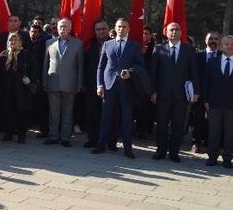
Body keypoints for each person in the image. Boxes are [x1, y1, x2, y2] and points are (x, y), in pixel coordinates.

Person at [95, 18, 145, 159]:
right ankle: (101, 145)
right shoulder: (107, 44)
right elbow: (101, 66)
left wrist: (131, 72)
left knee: (126, 118)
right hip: (109, 85)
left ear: (128, 29)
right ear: (115, 28)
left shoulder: (134, 46)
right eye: (119, 26)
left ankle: (128, 149)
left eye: (124, 26)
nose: (121, 29)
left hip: (126, 87)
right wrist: (99, 85)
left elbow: (140, 65)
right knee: (106, 117)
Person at [150, 22, 200, 162]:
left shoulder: (189, 49)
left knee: (178, 125)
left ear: (181, 32)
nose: (174, 32)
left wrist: (196, 91)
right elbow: (153, 73)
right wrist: (152, 91)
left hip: (181, 95)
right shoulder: (159, 49)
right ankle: (160, 151)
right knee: (161, 123)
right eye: (171, 30)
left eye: (177, 29)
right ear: (166, 32)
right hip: (162, 94)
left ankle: (174, 152)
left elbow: (194, 72)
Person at [42, 18, 83, 147]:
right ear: (57, 28)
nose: (62, 29)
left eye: (65, 26)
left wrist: (79, 84)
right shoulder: (49, 43)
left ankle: (65, 137)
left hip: (70, 84)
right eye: (60, 26)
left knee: (68, 112)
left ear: (70, 28)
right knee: (53, 112)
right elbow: (45, 63)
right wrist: (44, 81)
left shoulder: (78, 44)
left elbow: (80, 66)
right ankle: (53, 136)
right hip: (52, 82)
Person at [0, 32, 37, 143]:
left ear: (20, 42)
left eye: (15, 40)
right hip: (7, 88)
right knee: (8, 111)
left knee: (22, 112)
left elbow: (34, 69)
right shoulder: (4, 54)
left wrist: (29, 79)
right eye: (11, 40)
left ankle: (21, 135)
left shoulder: (26, 54)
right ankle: (8, 133)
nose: (13, 42)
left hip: (22, 88)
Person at [204, 36, 233, 167]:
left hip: (231, 105)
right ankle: (212, 157)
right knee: (214, 131)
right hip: (214, 102)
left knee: (230, 133)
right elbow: (207, 82)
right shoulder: (212, 61)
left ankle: (227, 159)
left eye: (232, 44)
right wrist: (205, 100)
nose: (229, 46)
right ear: (221, 46)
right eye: (226, 44)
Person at [83, 19, 111, 149]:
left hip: (110, 86)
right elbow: (84, 65)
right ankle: (92, 139)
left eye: (103, 29)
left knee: (107, 115)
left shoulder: (114, 44)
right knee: (91, 114)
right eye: (98, 29)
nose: (100, 31)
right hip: (91, 86)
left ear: (108, 29)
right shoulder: (90, 45)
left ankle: (107, 141)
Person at [192, 32, 221, 153]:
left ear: (219, 41)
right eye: (210, 39)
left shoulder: (223, 56)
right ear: (205, 40)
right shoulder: (197, 56)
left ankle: (213, 145)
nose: (213, 41)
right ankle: (196, 143)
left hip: (217, 94)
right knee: (198, 118)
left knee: (216, 121)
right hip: (199, 92)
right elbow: (193, 74)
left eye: (216, 39)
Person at [28, 24, 49, 137]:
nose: (33, 34)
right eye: (32, 31)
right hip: (28, 80)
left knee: (42, 107)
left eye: (36, 32)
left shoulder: (43, 45)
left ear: (39, 33)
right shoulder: (26, 44)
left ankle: (44, 130)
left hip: (40, 79)